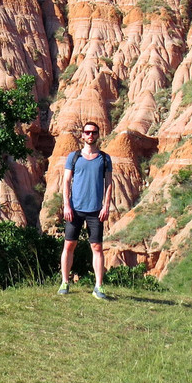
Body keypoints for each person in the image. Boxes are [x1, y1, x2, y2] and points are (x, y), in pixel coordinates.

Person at [58, 121, 113, 300]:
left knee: (97, 247)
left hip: (95, 210)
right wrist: (66, 205)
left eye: (94, 132)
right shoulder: (73, 157)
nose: (90, 135)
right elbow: (66, 181)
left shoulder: (104, 158)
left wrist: (106, 206)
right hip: (75, 209)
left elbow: (109, 183)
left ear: (98, 135)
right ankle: (65, 282)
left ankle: (98, 286)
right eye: (87, 132)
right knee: (69, 245)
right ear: (82, 135)